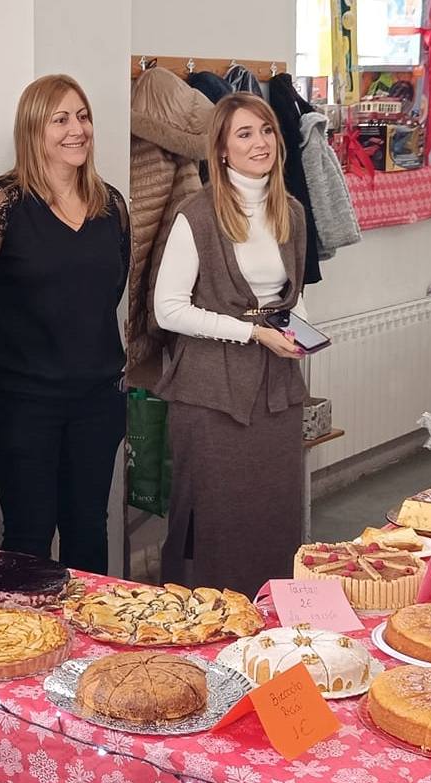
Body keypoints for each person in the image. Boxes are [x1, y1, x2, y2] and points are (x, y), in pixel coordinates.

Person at [0, 75, 129, 575]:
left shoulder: (111, 205)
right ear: (34, 129)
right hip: (21, 398)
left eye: (83, 116)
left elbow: (108, 292)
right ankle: (27, 645)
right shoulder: (1, 204)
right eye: (61, 119)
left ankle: (91, 642)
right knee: (29, 531)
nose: (77, 129)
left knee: (89, 527)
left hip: (96, 396)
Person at [152, 93, 309, 597]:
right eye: (244, 134)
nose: (260, 142)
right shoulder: (195, 216)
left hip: (275, 392)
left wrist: (303, 332)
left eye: (266, 130)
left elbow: (292, 297)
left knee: (274, 514)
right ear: (220, 149)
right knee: (213, 519)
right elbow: (167, 309)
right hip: (211, 395)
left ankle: (269, 626)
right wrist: (252, 332)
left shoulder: (291, 212)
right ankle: (202, 625)